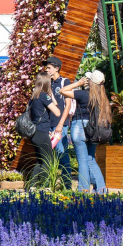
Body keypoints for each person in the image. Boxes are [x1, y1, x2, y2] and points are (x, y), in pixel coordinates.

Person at [60, 71, 109, 193]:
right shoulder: (103, 97)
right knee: (91, 158)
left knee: (82, 160)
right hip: (95, 130)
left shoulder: (82, 94)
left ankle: (83, 189)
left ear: (90, 82)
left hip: (80, 128)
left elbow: (63, 91)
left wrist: (78, 83)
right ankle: (101, 189)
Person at [43, 56, 73, 189]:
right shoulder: (47, 83)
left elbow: (67, 105)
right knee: (52, 155)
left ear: (56, 68)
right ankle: (53, 183)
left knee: (62, 153)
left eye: (49, 67)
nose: (47, 70)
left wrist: (61, 124)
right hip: (48, 124)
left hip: (60, 125)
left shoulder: (64, 82)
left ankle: (67, 184)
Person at [27, 73, 63, 183]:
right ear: (47, 83)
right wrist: (49, 94)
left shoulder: (33, 97)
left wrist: (50, 94)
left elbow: (54, 102)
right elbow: (57, 112)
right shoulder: (44, 96)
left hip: (34, 133)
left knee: (40, 161)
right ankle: (44, 185)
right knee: (48, 160)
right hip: (42, 132)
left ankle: (32, 186)